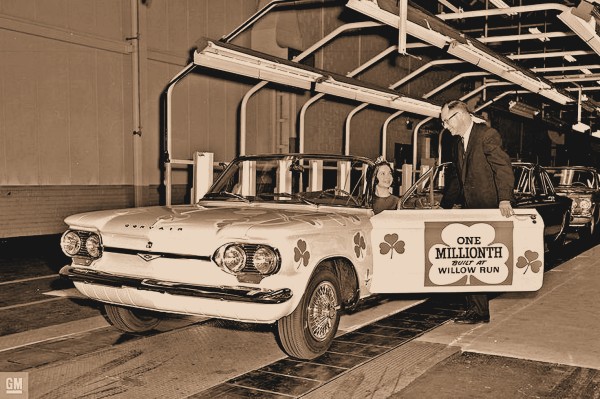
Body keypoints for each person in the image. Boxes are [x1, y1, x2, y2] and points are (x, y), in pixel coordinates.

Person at [439, 100, 515, 324]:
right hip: (472, 210)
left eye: (446, 121)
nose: (445, 126)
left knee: (478, 260)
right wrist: (444, 206)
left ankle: (479, 310)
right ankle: (477, 309)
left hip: (489, 209)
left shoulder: (486, 135)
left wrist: (504, 199)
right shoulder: (459, 143)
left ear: (459, 116)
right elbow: (456, 178)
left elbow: (503, 168)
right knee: (471, 259)